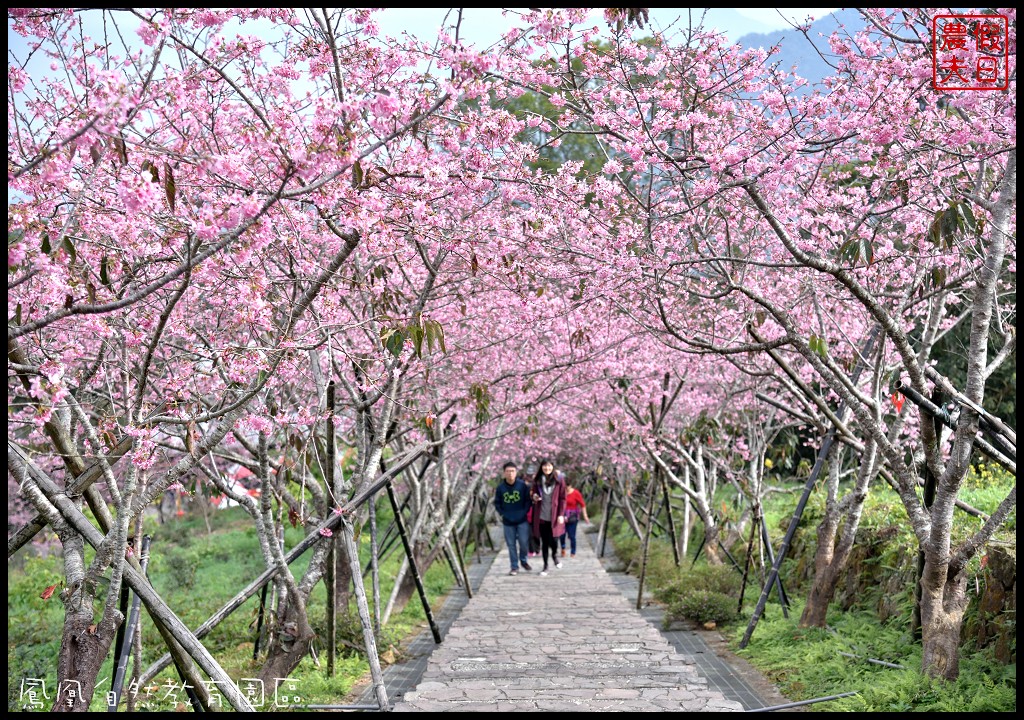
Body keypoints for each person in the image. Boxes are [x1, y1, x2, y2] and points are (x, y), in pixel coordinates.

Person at [494, 461, 532, 575]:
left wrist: (523, 512)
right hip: (508, 521)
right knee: (511, 545)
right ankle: (514, 566)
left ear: (516, 472)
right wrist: (503, 514)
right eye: (508, 471)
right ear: (504, 473)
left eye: (512, 471)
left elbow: (527, 501)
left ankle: (524, 560)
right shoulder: (500, 488)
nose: (510, 474)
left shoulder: (522, 486)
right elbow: (497, 503)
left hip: (522, 520)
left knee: (524, 542)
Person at [530, 459, 566, 576]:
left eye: (549, 466)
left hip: (555, 516)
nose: (547, 468)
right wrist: (535, 496)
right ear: (541, 467)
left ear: (553, 467)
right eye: (545, 466)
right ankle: (545, 566)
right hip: (541, 516)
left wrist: (561, 514)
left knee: (554, 540)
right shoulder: (537, 480)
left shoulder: (559, 480)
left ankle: (554, 555)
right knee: (544, 542)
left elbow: (562, 498)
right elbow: (533, 493)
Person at [560, 477, 590, 558]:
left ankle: (573, 552)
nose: (566, 488)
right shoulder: (561, 492)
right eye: (564, 487)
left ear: (571, 485)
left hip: (573, 516)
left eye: (567, 486)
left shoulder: (576, 493)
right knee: (562, 535)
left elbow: (583, 504)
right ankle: (563, 548)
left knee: (572, 535)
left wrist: (585, 516)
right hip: (562, 516)